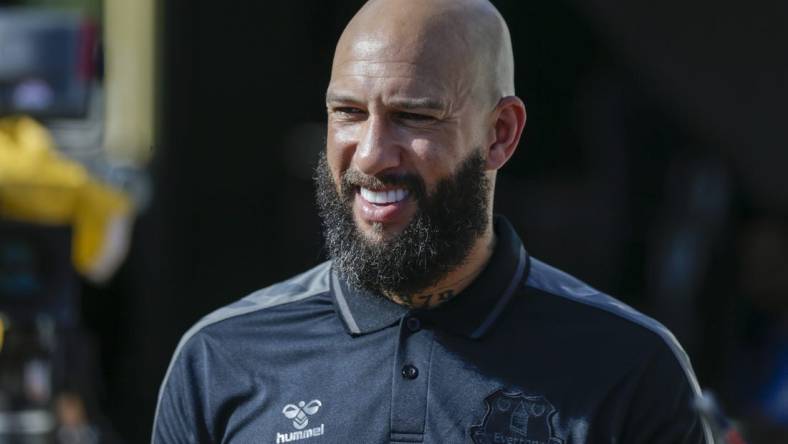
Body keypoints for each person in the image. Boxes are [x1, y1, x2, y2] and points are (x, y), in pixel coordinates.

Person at [153, 0, 712, 442]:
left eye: (413, 116)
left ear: (500, 134)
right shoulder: (221, 358)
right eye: (347, 113)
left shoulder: (631, 367)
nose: (371, 155)